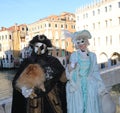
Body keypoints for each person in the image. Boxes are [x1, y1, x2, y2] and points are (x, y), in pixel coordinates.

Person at [11, 34, 67, 113]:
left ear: (46, 48)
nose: (39, 48)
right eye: (37, 46)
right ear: (33, 47)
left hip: (53, 102)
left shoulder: (53, 61)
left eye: (42, 46)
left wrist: (69, 72)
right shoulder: (27, 62)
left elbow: (61, 80)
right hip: (34, 104)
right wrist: (23, 88)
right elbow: (16, 82)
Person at [65, 30, 109, 113]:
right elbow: (70, 71)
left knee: (91, 106)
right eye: (78, 43)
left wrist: (100, 84)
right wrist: (72, 67)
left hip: (90, 85)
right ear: (76, 44)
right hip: (78, 85)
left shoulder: (92, 55)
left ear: (86, 41)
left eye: (82, 41)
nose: (81, 44)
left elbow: (95, 71)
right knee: (79, 107)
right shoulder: (74, 55)